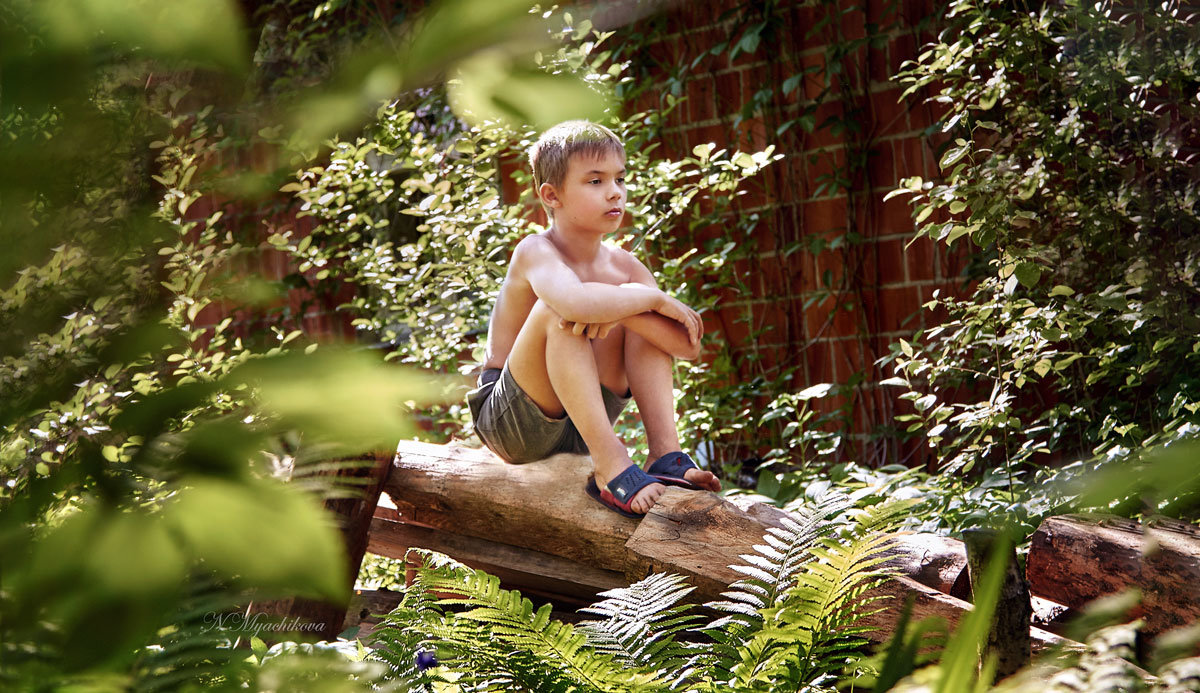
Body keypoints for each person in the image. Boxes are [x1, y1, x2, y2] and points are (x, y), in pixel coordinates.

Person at [466, 120, 721, 519]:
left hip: (584, 415)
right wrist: (648, 299)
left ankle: (666, 454)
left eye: (620, 178)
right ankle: (612, 464)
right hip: (515, 420)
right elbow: (573, 304)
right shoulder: (536, 250)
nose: (615, 191)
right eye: (595, 181)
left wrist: (628, 309)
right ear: (551, 195)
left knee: (627, 313)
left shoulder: (626, 267)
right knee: (560, 311)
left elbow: (686, 346)